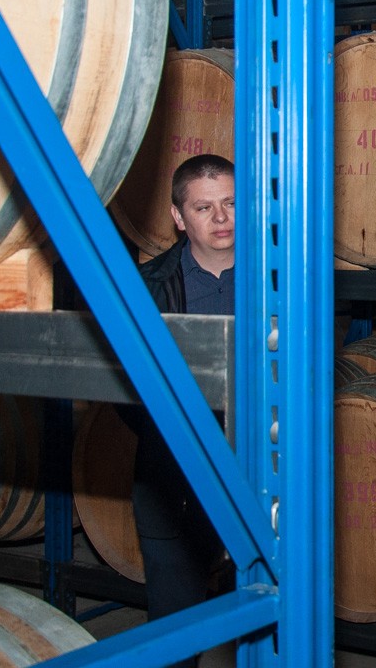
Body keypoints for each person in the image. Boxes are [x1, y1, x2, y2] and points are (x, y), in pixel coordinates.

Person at [118, 153, 234, 668]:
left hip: (264, 476)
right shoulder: (145, 287)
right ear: (178, 217)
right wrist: (179, 433)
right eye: (204, 207)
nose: (221, 218)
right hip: (174, 482)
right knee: (175, 632)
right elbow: (123, 391)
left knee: (274, 628)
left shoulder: (282, 281)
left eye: (231, 203)